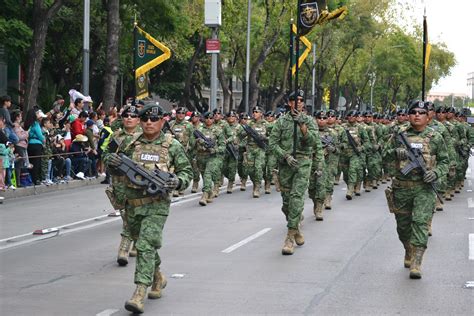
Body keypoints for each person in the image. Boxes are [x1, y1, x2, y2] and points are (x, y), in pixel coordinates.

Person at [105, 104, 193, 314]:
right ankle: (158, 277)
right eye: (145, 120)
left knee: (145, 246)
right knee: (146, 246)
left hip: (156, 205)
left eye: (154, 120)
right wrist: (111, 161)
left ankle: (139, 293)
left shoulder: (172, 146)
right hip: (132, 204)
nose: (149, 123)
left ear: (162, 121)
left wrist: (176, 181)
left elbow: (186, 172)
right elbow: (108, 158)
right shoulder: (129, 142)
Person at [383, 100, 448, 279]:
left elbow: (444, 161)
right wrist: (396, 152)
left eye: (421, 112)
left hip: (423, 189)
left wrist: (435, 173)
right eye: (413, 112)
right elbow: (384, 154)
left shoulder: (435, 137)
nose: (417, 115)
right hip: (402, 188)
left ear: (428, 117)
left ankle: (417, 262)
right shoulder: (399, 135)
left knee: (420, 223)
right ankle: (408, 250)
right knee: (403, 227)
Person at [268, 90, 322, 255]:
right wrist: (284, 156)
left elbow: (313, 142)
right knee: (286, 204)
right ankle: (296, 228)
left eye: (300, 100)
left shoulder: (309, 121)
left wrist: (302, 126)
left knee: (297, 198)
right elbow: (272, 143)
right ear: (289, 103)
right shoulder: (281, 122)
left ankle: (289, 238)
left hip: (303, 163)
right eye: (294, 100)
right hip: (286, 164)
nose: (298, 103)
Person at [103, 105, 141, 265]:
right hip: (119, 181)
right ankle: (135, 241)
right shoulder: (116, 137)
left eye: (133, 116)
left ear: (138, 119)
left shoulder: (144, 137)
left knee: (132, 216)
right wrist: (110, 160)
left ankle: (124, 249)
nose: (129, 118)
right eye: (126, 116)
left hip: (138, 183)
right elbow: (105, 155)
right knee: (126, 214)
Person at [191, 111, 225, 206]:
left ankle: (205, 195)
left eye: (211, 118)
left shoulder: (218, 130)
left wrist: (215, 150)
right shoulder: (199, 130)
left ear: (213, 119)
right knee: (204, 175)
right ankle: (209, 192)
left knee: (207, 174)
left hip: (213, 157)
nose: (209, 120)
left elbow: (223, 146)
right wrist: (198, 141)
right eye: (207, 118)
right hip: (201, 156)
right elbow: (191, 143)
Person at [25, 108, 47, 185]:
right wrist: (44, 140)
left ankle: (30, 179)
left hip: (29, 145)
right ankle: (35, 179)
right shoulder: (36, 124)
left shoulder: (29, 124)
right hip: (37, 145)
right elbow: (40, 136)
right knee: (36, 163)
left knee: (31, 162)